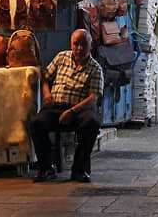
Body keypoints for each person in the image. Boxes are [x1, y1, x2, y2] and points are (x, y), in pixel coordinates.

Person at [30, 28, 104, 183]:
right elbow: (45, 77)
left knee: (91, 123)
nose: (79, 48)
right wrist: (47, 94)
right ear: (71, 44)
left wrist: (72, 111)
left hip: (79, 110)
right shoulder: (61, 57)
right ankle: (46, 168)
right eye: (76, 44)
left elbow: (93, 98)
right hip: (56, 107)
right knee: (37, 123)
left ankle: (79, 169)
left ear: (91, 45)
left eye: (84, 44)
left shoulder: (95, 68)